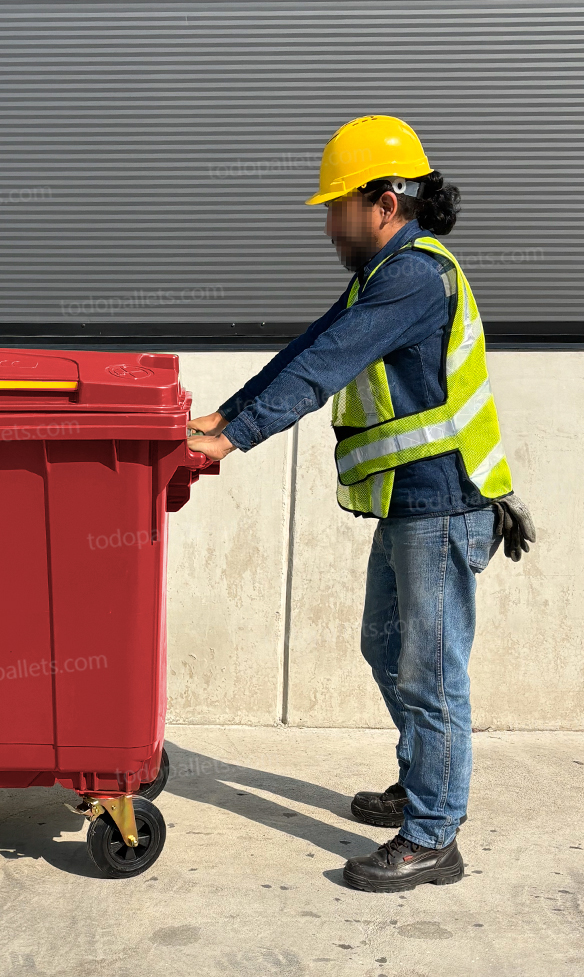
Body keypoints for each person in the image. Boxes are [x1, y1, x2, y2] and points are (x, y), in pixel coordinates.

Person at [186, 115, 536, 893]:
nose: (328, 226)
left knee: (431, 674)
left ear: (385, 202)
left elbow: (327, 368)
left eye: (337, 208)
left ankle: (434, 837)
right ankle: (423, 785)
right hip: (411, 504)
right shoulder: (383, 275)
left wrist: (233, 439)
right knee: (389, 653)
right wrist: (225, 413)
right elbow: (309, 348)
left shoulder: (414, 278)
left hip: (443, 504)